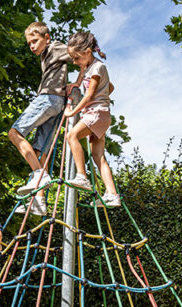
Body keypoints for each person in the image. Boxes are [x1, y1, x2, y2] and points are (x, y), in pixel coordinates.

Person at [10, 21, 74, 216]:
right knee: (39, 151)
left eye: (35, 41)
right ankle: (39, 200)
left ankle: (39, 175)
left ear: (46, 38)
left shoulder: (54, 46)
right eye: (29, 43)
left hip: (47, 98)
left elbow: (79, 53)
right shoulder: (47, 54)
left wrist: (79, 82)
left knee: (14, 133)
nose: (32, 46)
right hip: (57, 105)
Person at [64, 31, 121, 208]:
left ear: (88, 51)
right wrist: (76, 83)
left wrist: (72, 113)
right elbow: (109, 86)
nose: (75, 62)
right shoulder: (90, 66)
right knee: (98, 156)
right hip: (102, 115)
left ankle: (82, 176)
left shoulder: (97, 68)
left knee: (72, 136)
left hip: (95, 113)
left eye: (76, 58)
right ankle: (112, 194)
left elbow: (88, 95)